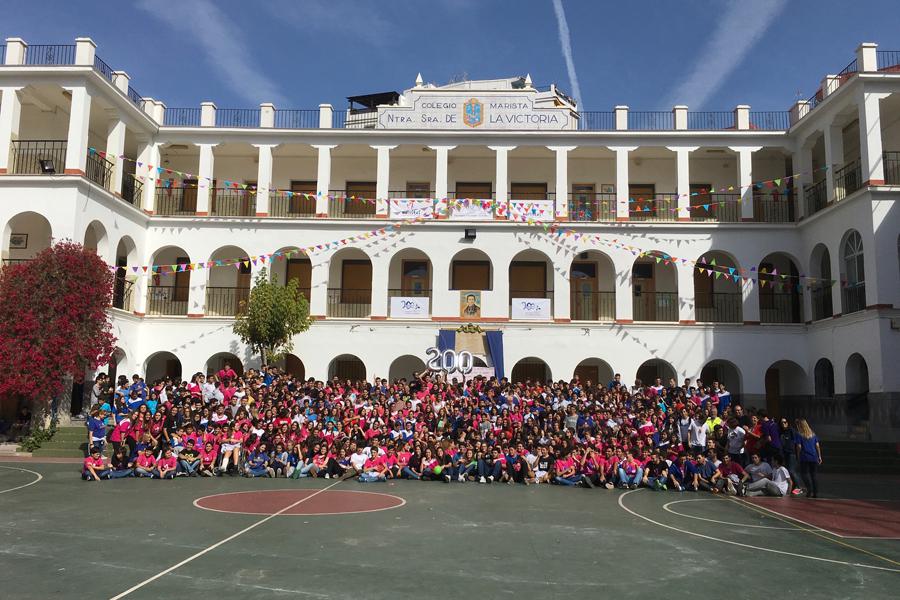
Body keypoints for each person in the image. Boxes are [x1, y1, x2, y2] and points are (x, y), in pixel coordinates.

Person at [794, 418, 822, 498]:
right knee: (813, 475)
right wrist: (819, 456)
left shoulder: (799, 434)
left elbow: (799, 446)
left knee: (804, 474)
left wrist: (798, 456)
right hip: (814, 456)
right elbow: (817, 445)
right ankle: (815, 492)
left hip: (804, 456)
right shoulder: (813, 434)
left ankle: (809, 489)